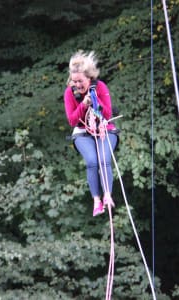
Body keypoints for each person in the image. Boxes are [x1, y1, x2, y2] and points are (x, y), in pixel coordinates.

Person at [64, 50, 118, 217]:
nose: (77, 85)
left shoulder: (100, 87)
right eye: (74, 82)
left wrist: (95, 100)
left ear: (89, 78)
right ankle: (97, 200)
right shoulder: (69, 93)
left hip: (104, 128)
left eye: (80, 81)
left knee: (103, 159)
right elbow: (72, 121)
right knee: (92, 161)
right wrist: (83, 105)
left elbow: (107, 114)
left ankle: (107, 195)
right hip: (82, 132)